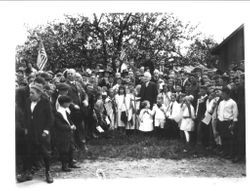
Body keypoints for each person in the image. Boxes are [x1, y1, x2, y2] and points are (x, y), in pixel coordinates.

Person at [23, 83, 54, 183]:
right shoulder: (28, 101)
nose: (30, 95)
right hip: (30, 132)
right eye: (29, 93)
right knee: (29, 152)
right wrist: (25, 128)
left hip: (42, 132)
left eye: (32, 93)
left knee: (45, 153)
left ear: (39, 94)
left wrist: (46, 131)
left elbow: (50, 119)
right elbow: (25, 115)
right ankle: (28, 172)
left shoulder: (45, 102)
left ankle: (48, 172)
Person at [55, 95, 80, 172]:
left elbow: (69, 119)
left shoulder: (65, 110)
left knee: (71, 148)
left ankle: (71, 162)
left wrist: (72, 124)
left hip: (69, 133)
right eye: (68, 103)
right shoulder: (58, 113)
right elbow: (59, 125)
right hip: (62, 135)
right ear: (64, 103)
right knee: (64, 150)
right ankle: (64, 165)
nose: (69, 104)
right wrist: (70, 127)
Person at [216, 87, 238, 159]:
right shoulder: (221, 102)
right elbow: (219, 111)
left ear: (228, 94)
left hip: (228, 122)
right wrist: (218, 120)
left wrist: (233, 124)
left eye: (224, 94)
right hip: (221, 122)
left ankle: (230, 153)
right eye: (222, 94)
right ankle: (225, 152)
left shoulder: (233, 103)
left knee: (230, 139)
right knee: (223, 138)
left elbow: (235, 114)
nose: (222, 95)